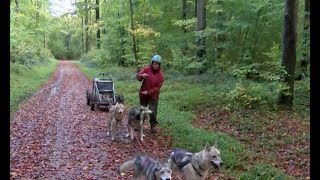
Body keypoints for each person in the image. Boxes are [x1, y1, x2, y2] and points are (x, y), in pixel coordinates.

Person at [136, 54, 164, 133]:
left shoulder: (161, 75)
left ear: (159, 65)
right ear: (152, 63)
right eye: (154, 63)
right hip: (143, 95)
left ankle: (153, 126)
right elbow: (138, 77)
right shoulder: (146, 69)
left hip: (153, 96)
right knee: (142, 110)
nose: (155, 65)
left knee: (152, 111)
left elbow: (157, 88)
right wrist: (141, 75)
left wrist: (148, 92)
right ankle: (138, 124)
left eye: (157, 64)